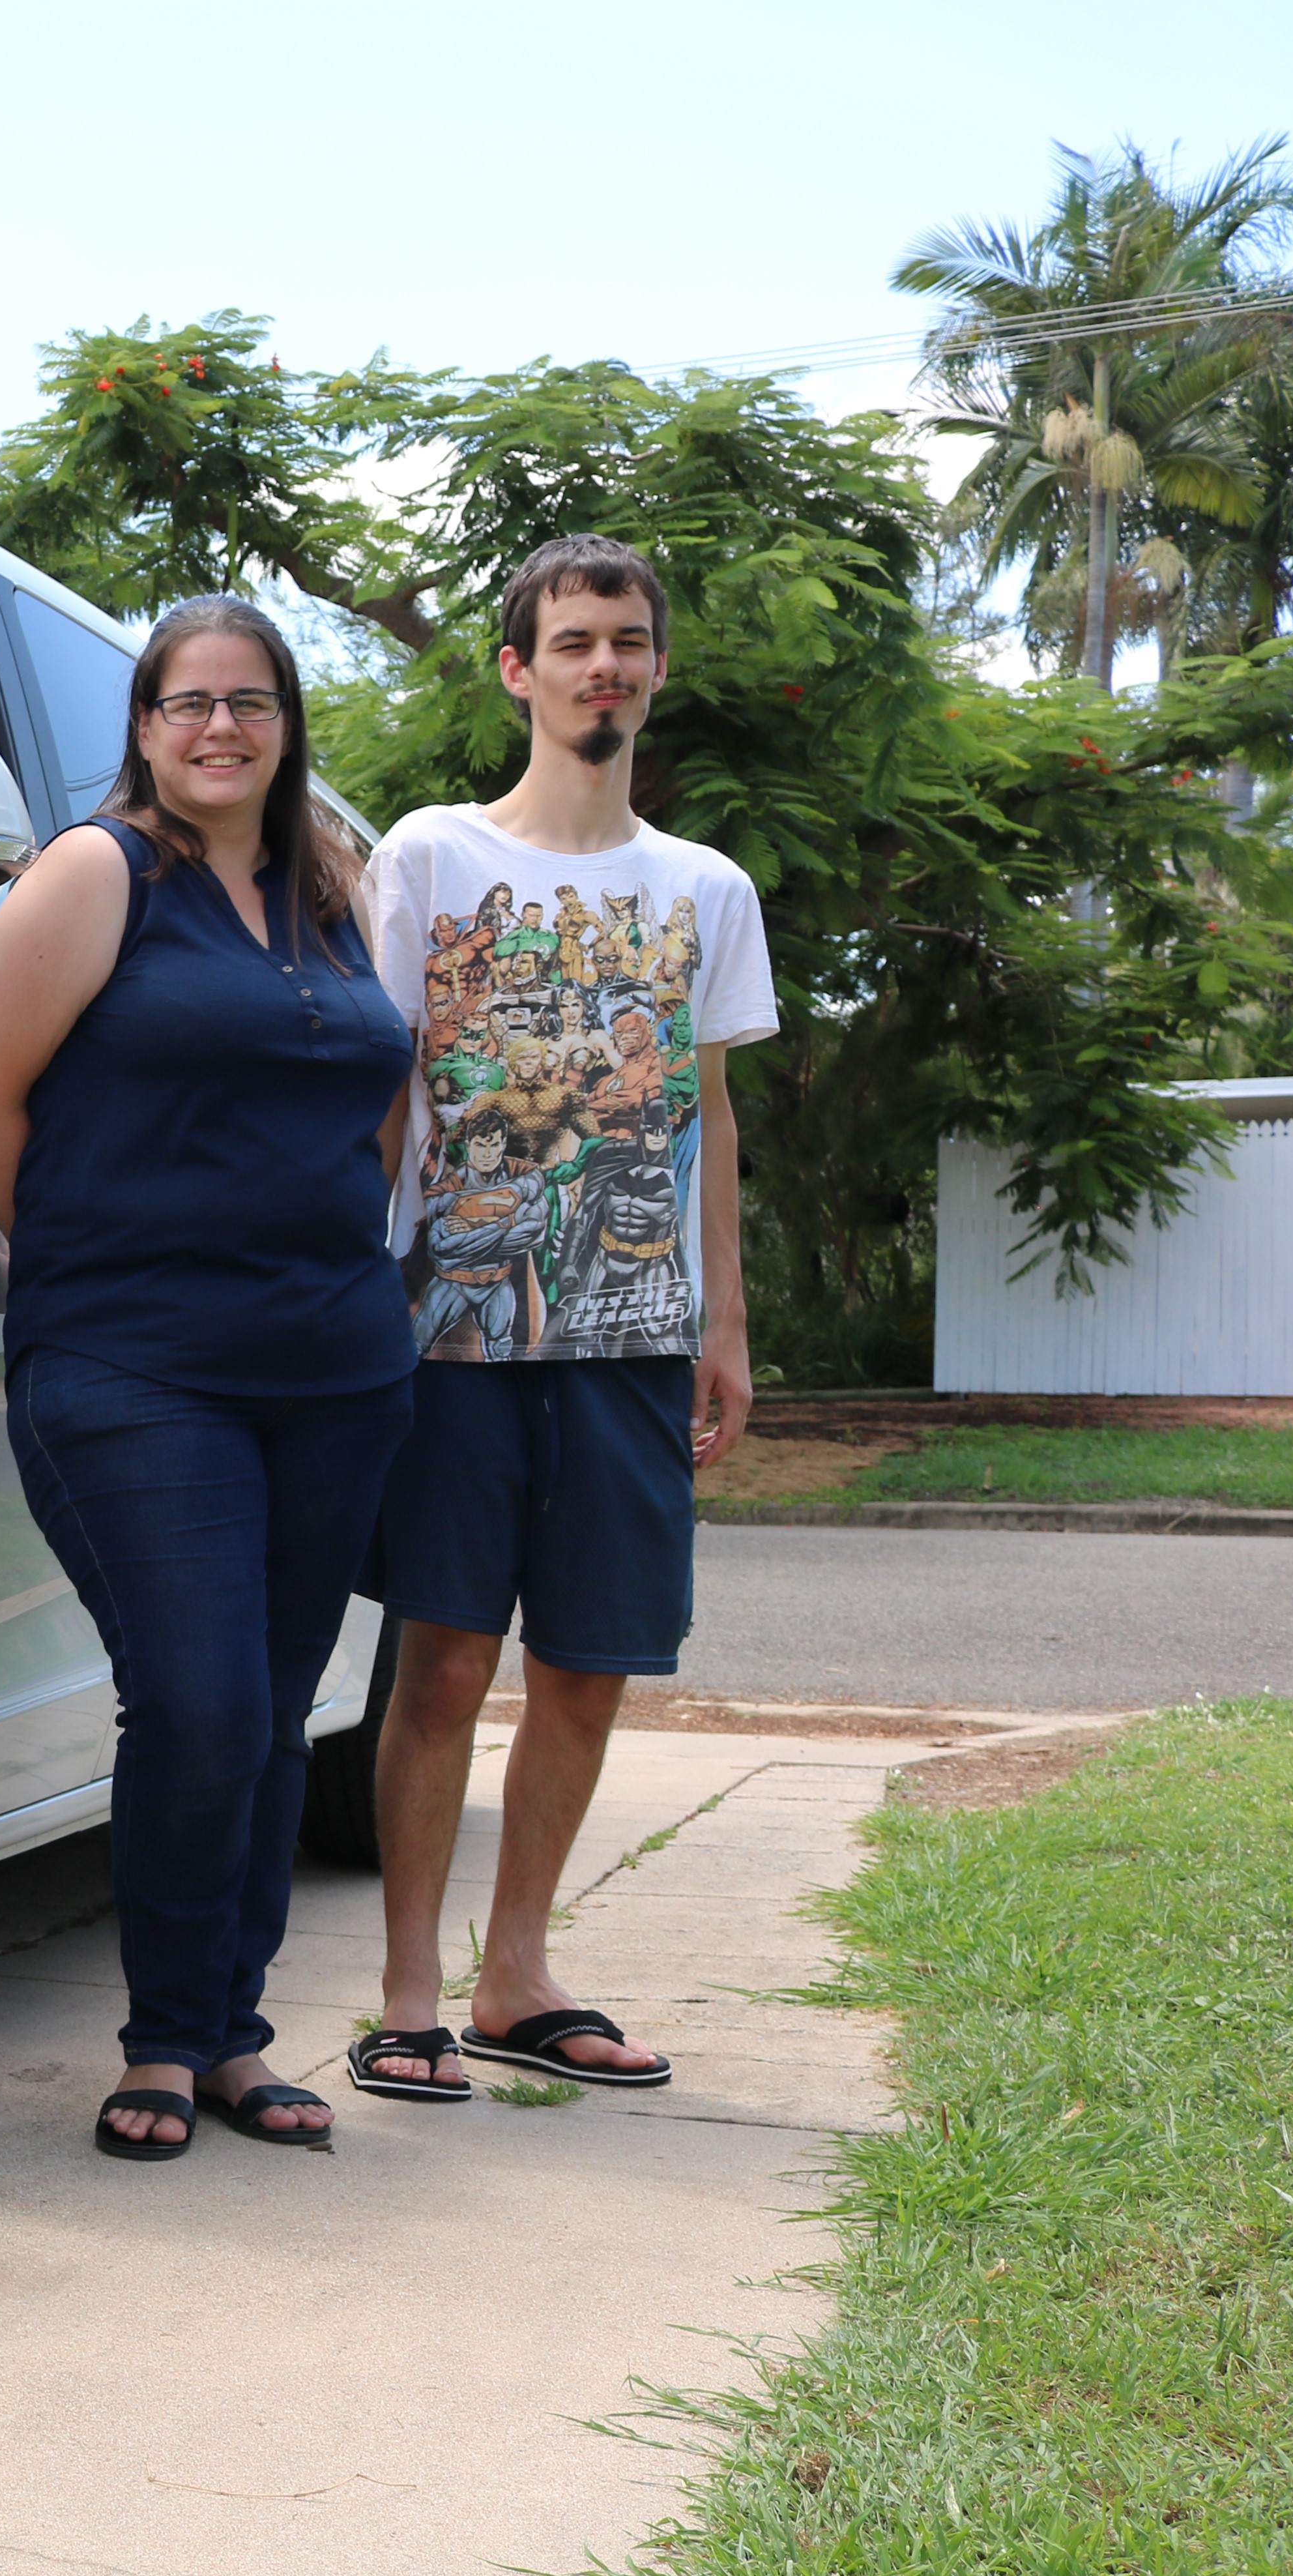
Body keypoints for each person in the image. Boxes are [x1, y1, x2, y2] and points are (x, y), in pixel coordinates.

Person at [0, 595, 416, 2164]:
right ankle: (161, 2033)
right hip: (135, 1362)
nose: (221, 726)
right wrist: (85, 1257)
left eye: (251, 701)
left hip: (335, 1367)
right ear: (144, 727)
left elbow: (378, 1102)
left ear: (286, 724)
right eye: (188, 701)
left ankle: (231, 2033)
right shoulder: (100, 873)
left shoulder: (331, 886)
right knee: (199, 1698)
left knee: (275, 1710)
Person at [343, 536, 778, 2104]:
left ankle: (516, 1973)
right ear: (517, 670)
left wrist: (725, 1321)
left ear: (659, 669)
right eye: (577, 640)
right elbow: (377, 1090)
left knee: (591, 1665)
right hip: (448, 1330)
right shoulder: (431, 856)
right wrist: (350, 1284)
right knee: (444, 1662)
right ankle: (407, 1986)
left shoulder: (706, 889)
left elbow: (708, 1111)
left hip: (635, 1332)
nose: (607, 665)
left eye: (630, 640)